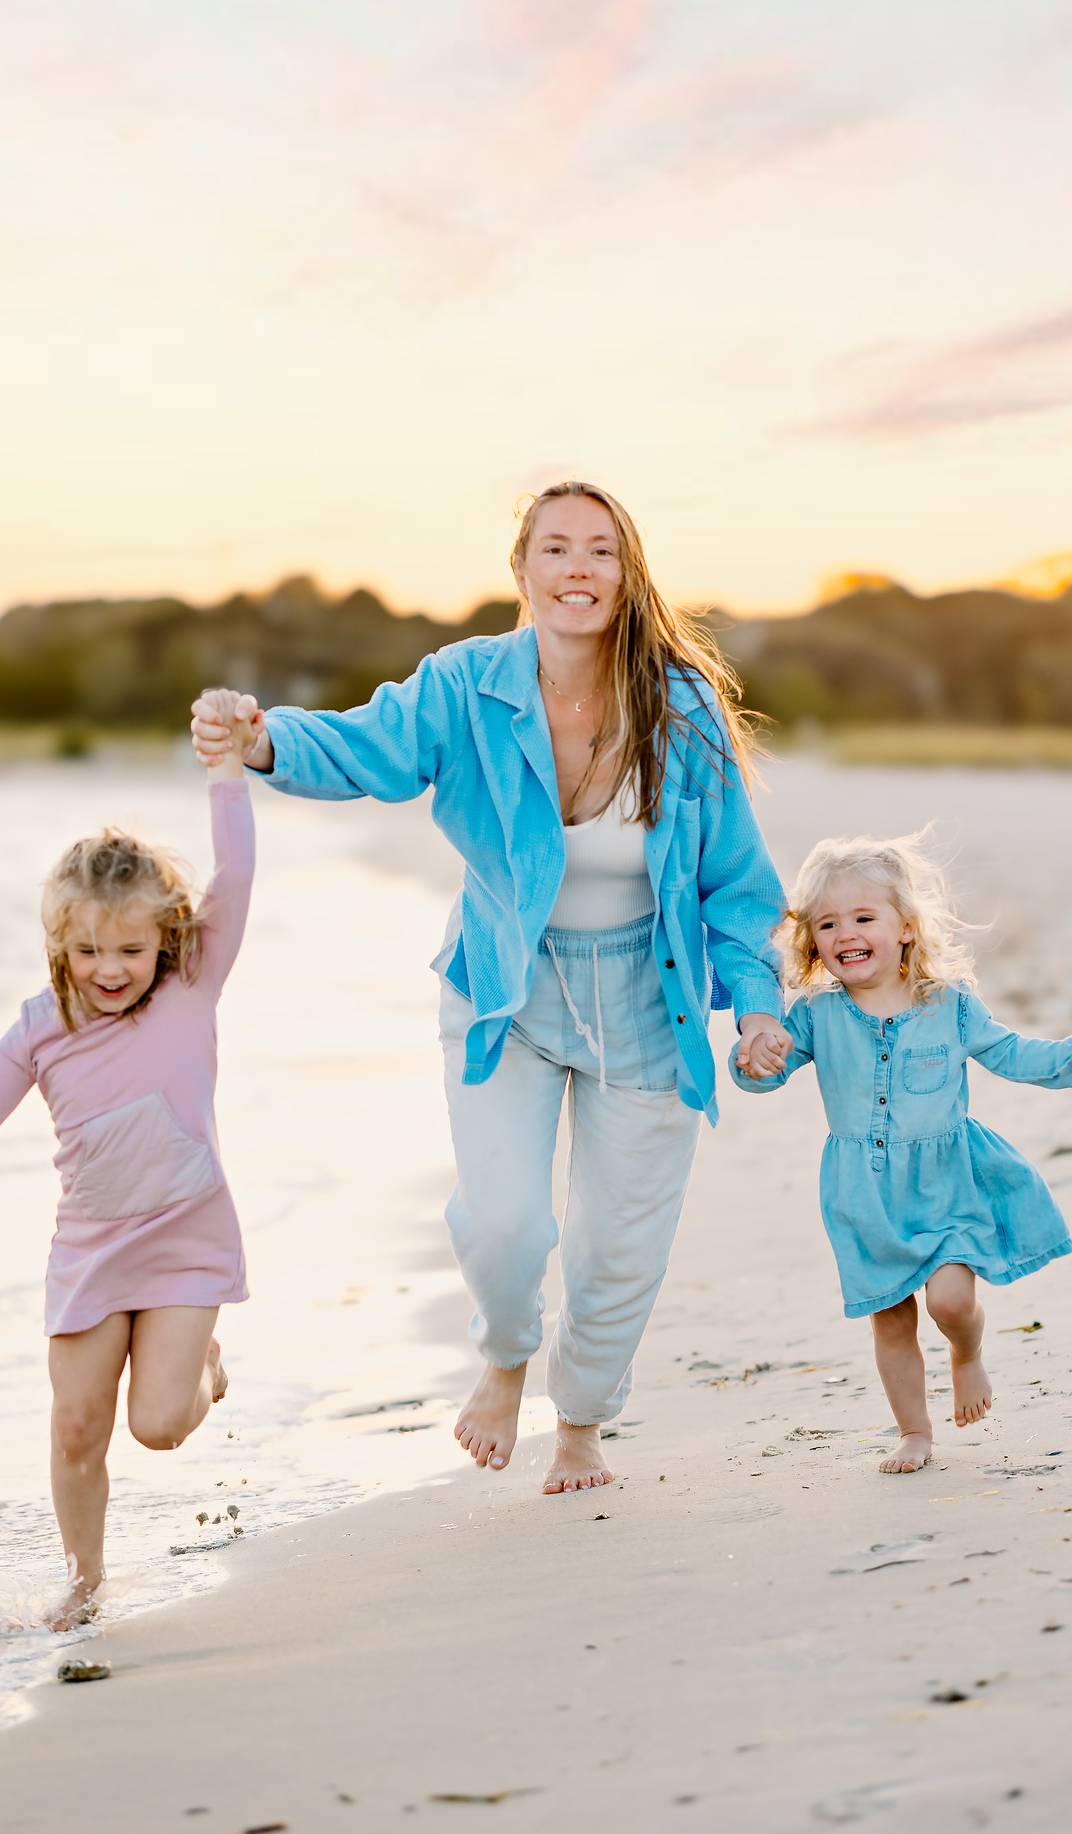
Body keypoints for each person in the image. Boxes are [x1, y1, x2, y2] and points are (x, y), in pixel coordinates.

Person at [190, 482, 788, 1495]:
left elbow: (736, 882)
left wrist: (758, 1000)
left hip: (654, 995)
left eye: (601, 551)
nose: (579, 569)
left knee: (619, 1246)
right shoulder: (467, 684)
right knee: (506, 1221)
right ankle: (505, 1356)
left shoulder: (680, 704)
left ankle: (583, 1425)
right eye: (556, 548)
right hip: (507, 988)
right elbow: (367, 744)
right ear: (522, 571)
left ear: (626, 573)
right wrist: (260, 738)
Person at [0, 694, 258, 1624]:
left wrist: (227, 773)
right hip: (92, 1246)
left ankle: (201, 1367)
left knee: (157, 1427)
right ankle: (84, 1579)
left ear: (167, 940)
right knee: (75, 1427)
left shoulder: (191, 988)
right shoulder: (42, 1030)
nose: (113, 968)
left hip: (184, 1236)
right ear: (60, 946)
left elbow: (237, 872)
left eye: (133, 949)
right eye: (90, 949)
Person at [731, 830, 1072, 1474]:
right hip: (864, 1195)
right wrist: (755, 1056)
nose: (844, 934)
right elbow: (766, 1074)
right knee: (890, 1319)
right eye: (827, 923)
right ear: (812, 942)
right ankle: (914, 1431)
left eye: (864, 918)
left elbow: (1011, 1052)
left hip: (948, 1182)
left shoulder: (949, 1004)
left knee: (947, 1301)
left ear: (908, 928)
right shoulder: (815, 1015)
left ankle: (967, 1352)